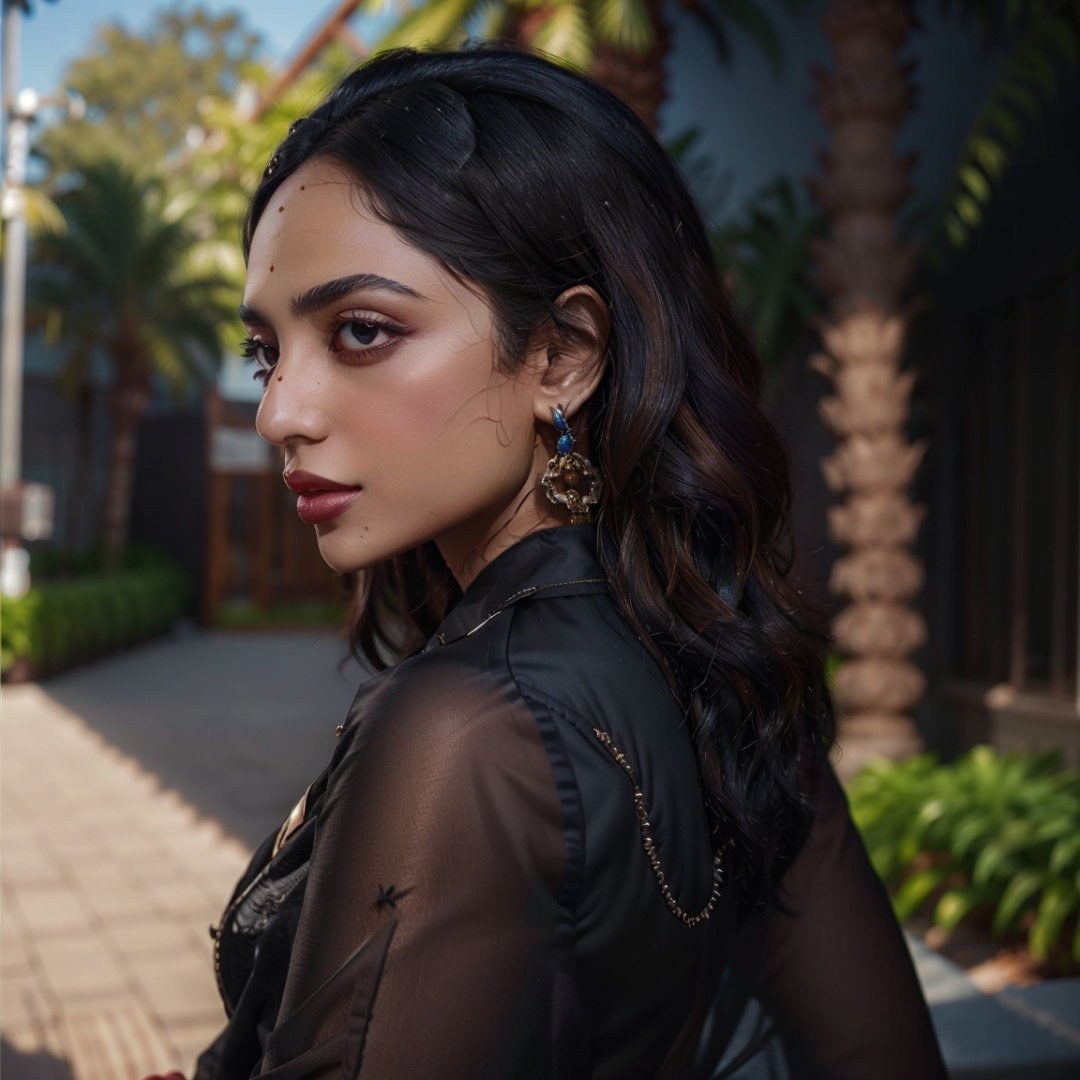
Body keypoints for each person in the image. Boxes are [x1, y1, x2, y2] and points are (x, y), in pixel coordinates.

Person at [173, 46, 946, 1080]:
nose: (281, 413)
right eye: (266, 353)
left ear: (563, 356)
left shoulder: (457, 731)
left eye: (360, 331)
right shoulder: (730, 683)